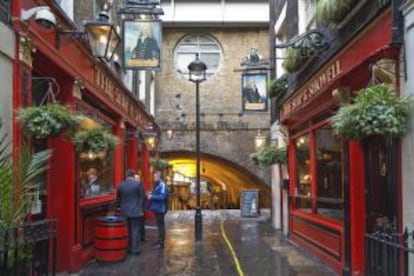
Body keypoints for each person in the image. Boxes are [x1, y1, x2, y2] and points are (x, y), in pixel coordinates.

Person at [116, 169, 145, 255]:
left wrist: (119, 207)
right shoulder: (138, 184)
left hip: (124, 211)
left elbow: (118, 199)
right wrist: (141, 208)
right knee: (135, 230)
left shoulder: (121, 185)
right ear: (133, 175)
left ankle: (128, 248)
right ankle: (134, 249)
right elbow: (142, 197)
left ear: (126, 175)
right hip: (136, 211)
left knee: (127, 230)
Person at [148, 170, 169, 249]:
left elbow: (163, 197)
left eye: (154, 176)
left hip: (160, 209)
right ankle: (159, 240)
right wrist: (152, 193)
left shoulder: (162, 185)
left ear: (158, 177)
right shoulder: (157, 185)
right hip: (157, 209)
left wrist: (152, 196)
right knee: (159, 225)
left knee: (161, 226)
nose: (153, 178)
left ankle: (161, 243)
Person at [135, 174, 147, 242]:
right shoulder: (135, 186)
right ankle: (140, 237)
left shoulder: (141, 187)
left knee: (141, 224)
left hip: (141, 209)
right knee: (138, 224)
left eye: (137, 179)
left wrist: (142, 210)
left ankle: (142, 237)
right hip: (136, 208)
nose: (136, 180)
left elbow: (143, 199)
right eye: (135, 178)